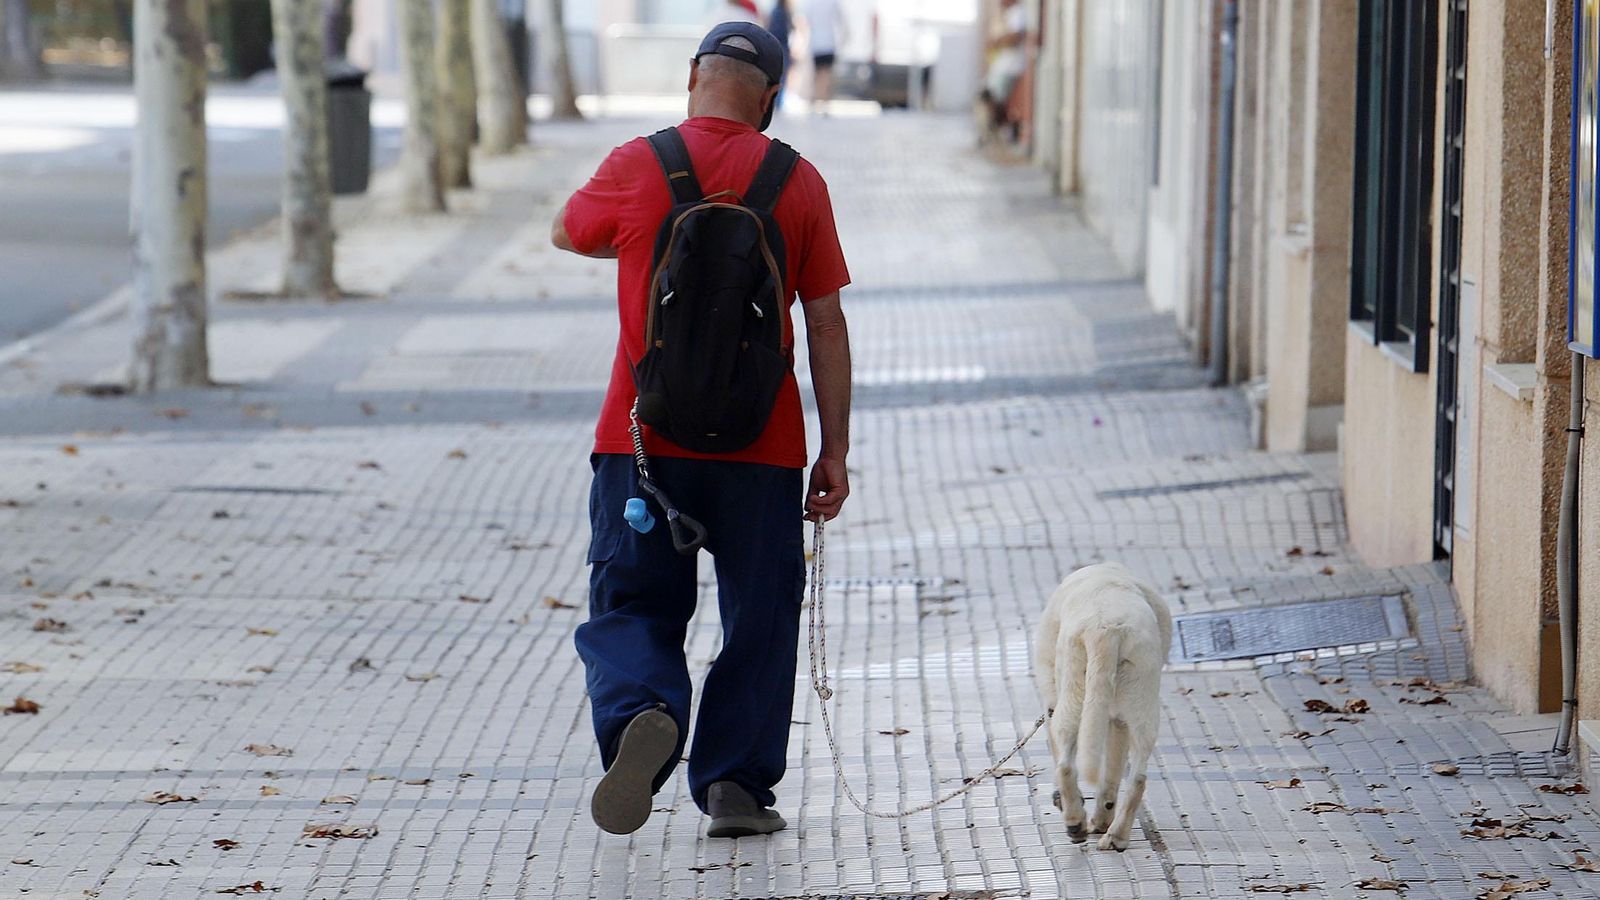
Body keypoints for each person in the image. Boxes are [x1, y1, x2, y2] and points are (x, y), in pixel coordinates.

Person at [551, 22, 853, 839]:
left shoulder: (635, 164)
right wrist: (835, 451)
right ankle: (735, 787)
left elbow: (566, 232)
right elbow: (825, 321)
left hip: (641, 440)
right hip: (763, 447)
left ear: (693, 75)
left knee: (632, 602)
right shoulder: (798, 181)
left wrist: (642, 242)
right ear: (771, 97)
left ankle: (643, 712)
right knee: (760, 616)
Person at [981, 0, 1029, 141]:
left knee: (996, 100)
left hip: (1010, 67)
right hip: (1002, 66)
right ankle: (995, 131)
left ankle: (1000, 131)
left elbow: (1016, 37)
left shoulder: (1018, 12)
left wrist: (997, 41)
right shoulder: (1007, 14)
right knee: (988, 97)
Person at [804, 0, 844, 113]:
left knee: (816, 75)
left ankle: (814, 102)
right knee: (826, 75)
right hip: (829, 43)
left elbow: (805, 21)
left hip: (815, 43)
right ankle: (824, 102)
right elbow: (841, 20)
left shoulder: (811, 3)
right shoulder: (833, 2)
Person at [768, 0, 795, 111]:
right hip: (781, 46)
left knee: (778, 76)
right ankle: (777, 103)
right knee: (780, 77)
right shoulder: (781, 12)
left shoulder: (777, 11)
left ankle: (777, 102)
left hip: (778, 46)